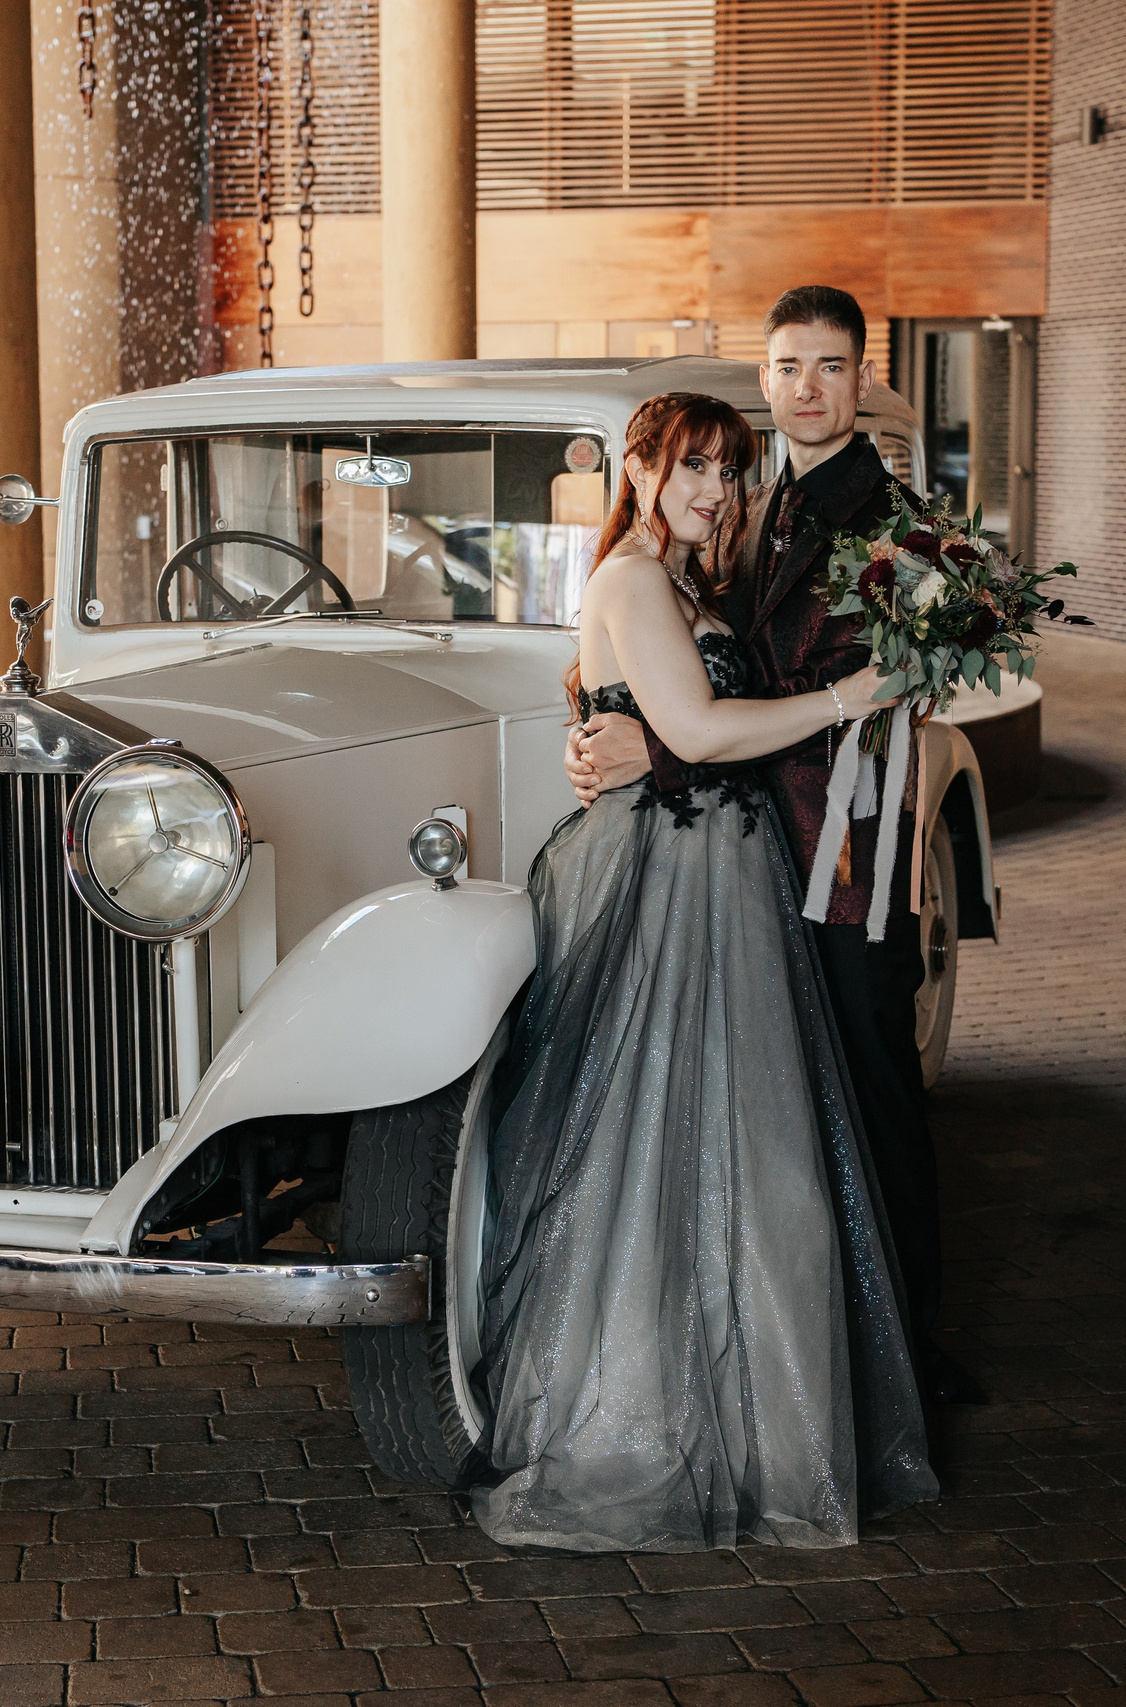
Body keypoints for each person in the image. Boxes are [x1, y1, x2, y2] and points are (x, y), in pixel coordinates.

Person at [471, 390, 937, 1553]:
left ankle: (758, 1429)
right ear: (639, 468)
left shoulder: (688, 583)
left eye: (728, 470)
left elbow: (680, 720)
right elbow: (705, 730)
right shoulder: (633, 578)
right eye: (691, 468)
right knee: (662, 1154)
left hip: (726, 878)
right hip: (669, 887)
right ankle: (655, 1426)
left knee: (749, 1162)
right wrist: (850, 695)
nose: (713, 491)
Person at [566, 286, 986, 1408]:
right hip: (745, 856)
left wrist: (656, 749)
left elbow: (839, 693)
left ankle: (909, 1361)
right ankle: (799, 1340)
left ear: (860, 379)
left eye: (831, 367)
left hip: (841, 857)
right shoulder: (740, 515)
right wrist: (629, 731)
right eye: (790, 366)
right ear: (765, 379)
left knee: (873, 1097)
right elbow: (693, 677)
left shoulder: (894, 525)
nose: (809, 387)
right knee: (786, 1109)